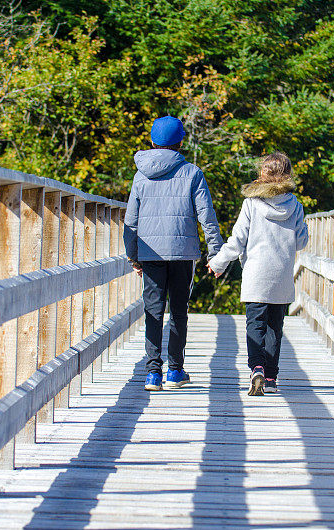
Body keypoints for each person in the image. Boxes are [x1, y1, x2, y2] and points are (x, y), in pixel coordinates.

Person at [124, 116, 224, 391]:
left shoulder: (140, 175)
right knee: (179, 311)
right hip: (183, 253)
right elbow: (207, 217)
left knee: (153, 311)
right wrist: (215, 253)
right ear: (181, 142)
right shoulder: (192, 173)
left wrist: (133, 255)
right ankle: (175, 371)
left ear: (152, 141)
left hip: (150, 252)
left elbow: (131, 221)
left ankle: (152, 374)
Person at [207, 152, 309, 395]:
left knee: (255, 324)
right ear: (288, 174)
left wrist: (218, 263)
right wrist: (301, 225)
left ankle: (257, 368)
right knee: (275, 327)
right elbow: (301, 242)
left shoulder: (251, 204)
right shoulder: (295, 206)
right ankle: (272, 378)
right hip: (281, 276)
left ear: (262, 174)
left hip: (255, 275)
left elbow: (237, 241)